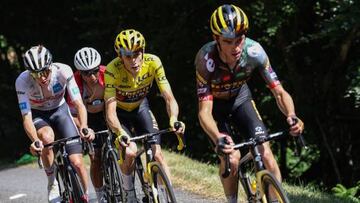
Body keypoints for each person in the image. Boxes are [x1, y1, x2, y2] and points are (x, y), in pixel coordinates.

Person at [195, 4, 304, 203]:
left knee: (266, 153)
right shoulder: (206, 59)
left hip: (240, 99)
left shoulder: (254, 51)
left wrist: (291, 115)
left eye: (239, 40)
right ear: (216, 39)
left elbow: (279, 92)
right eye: (228, 41)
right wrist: (217, 136)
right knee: (232, 158)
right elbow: (204, 112)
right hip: (215, 109)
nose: (236, 47)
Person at [104, 29, 185, 202]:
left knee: (157, 154)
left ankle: (168, 197)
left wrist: (173, 119)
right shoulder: (112, 70)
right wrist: (120, 133)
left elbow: (169, 97)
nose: (133, 60)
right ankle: (129, 191)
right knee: (131, 152)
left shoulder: (154, 62)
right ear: (120, 57)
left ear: (143, 51)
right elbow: (110, 112)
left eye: (137, 54)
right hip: (120, 114)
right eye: (128, 56)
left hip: (141, 107)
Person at [15, 45, 95, 203]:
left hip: (61, 111)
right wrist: (34, 141)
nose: (42, 78)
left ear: (51, 66)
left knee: (78, 163)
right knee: (46, 137)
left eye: (45, 72)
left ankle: (85, 195)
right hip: (39, 115)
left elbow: (78, 104)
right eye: (36, 74)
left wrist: (84, 126)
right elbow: (26, 117)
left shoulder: (63, 71)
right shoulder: (22, 81)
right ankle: (52, 183)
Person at [70, 47, 107, 202]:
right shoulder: (74, 81)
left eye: (94, 71)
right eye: (86, 73)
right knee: (95, 157)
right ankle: (100, 196)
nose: (91, 76)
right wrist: (84, 128)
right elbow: (72, 114)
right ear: (80, 72)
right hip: (87, 118)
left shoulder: (107, 74)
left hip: (106, 112)